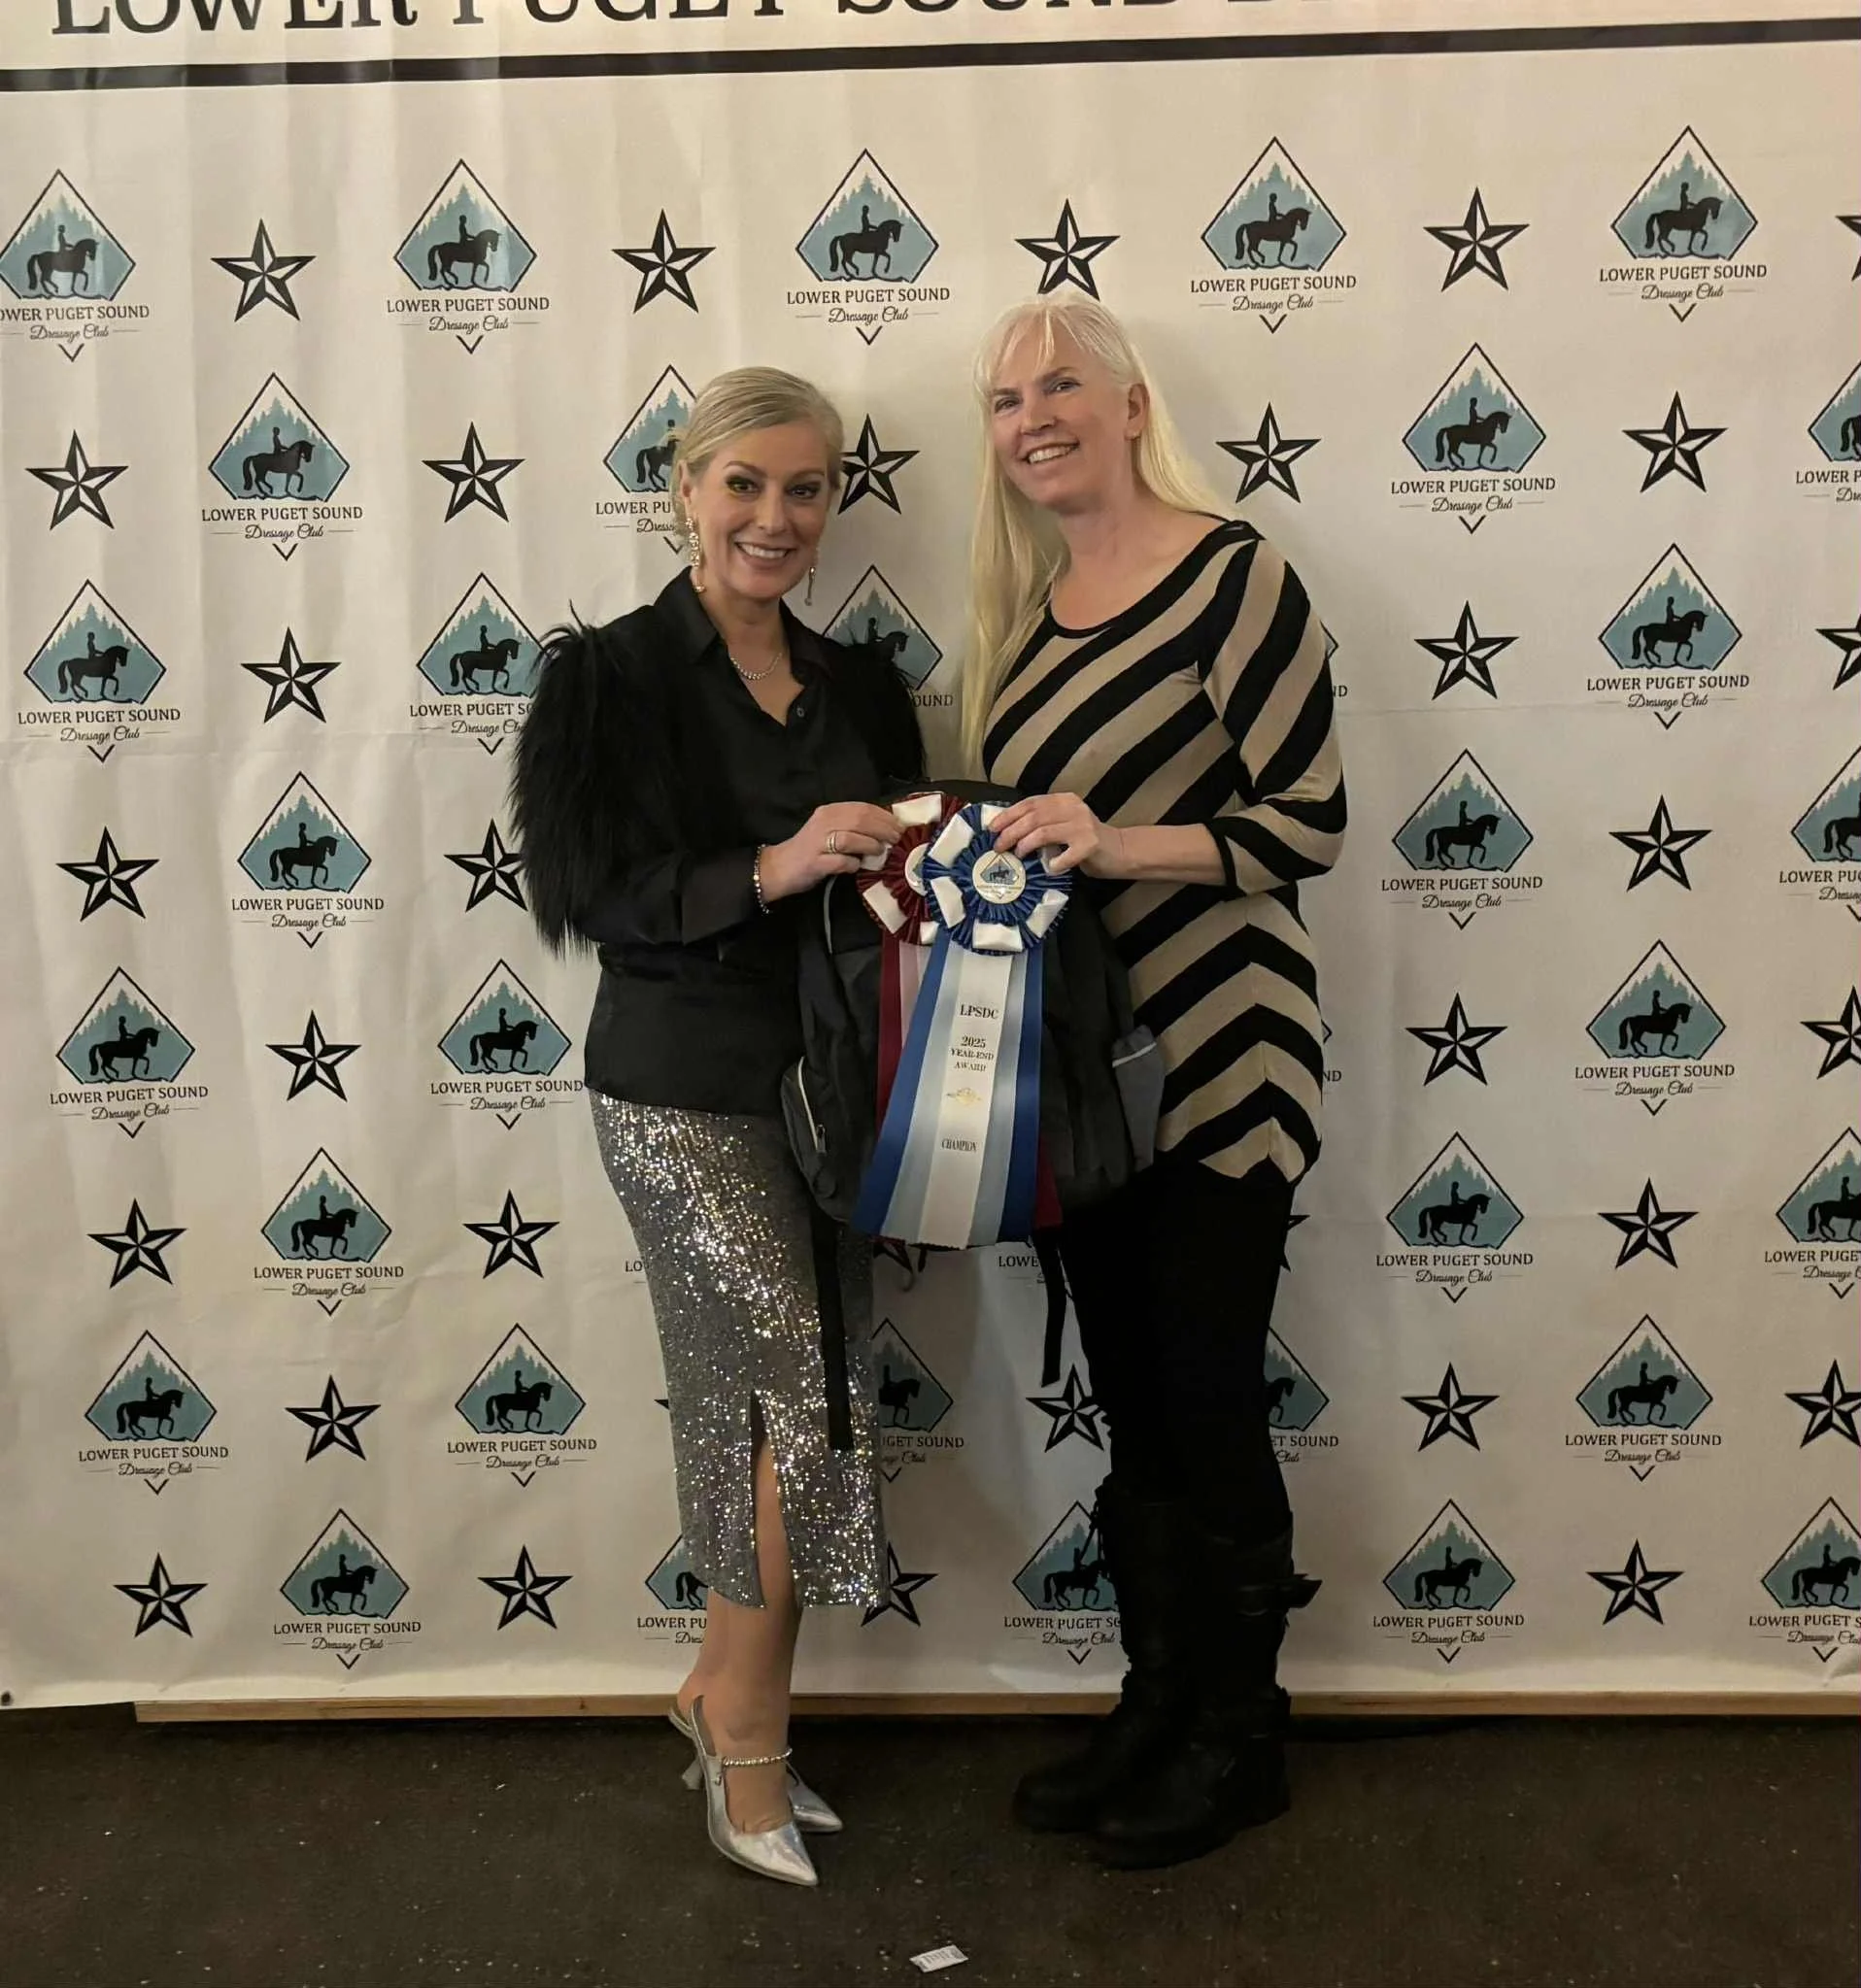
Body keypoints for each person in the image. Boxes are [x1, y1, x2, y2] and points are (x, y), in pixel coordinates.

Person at [512, 368, 923, 1889]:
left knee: (805, 1397)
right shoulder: (606, 680)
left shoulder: (863, 686)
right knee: (787, 1404)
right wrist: (772, 864)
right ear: (684, 490)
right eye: (744, 483)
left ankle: (712, 1684)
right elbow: (584, 895)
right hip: (683, 1089)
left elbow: (909, 892)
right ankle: (748, 1729)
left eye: (805, 488)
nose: (774, 515)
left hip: (840, 1091)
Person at [965, 296, 1344, 1870]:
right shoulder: (1027, 616)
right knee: (1135, 1404)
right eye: (1006, 400)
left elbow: (1308, 820)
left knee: (1204, 1398)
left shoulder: (1234, 575)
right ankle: (1160, 1700)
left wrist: (1118, 842)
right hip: (1085, 1089)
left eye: (1062, 384)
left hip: (1222, 1061)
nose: (1033, 417)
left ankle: (1242, 1739)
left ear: (1131, 406)